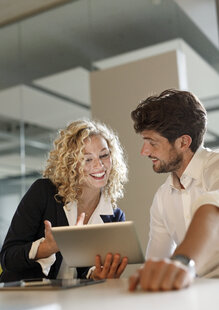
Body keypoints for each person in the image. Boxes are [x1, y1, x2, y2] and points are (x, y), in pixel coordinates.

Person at [0, 119, 128, 282]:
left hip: (70, 302)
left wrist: (96, 275)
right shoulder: (43, 192)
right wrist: (46, 248)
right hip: (22, 299)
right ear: (70, 164)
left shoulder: (114, 218)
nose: (99, 165)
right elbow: (7, 258)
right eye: (87, 159)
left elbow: (85, 272)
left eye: (104, 155)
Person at [129, 89, 219, 292]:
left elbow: (213, 210)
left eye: (152, 143)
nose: (144, 152)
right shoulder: (162, 198)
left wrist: (182, 262)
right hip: (190, 297)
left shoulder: (216, 168)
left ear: (183, 142)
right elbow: (157, 261)